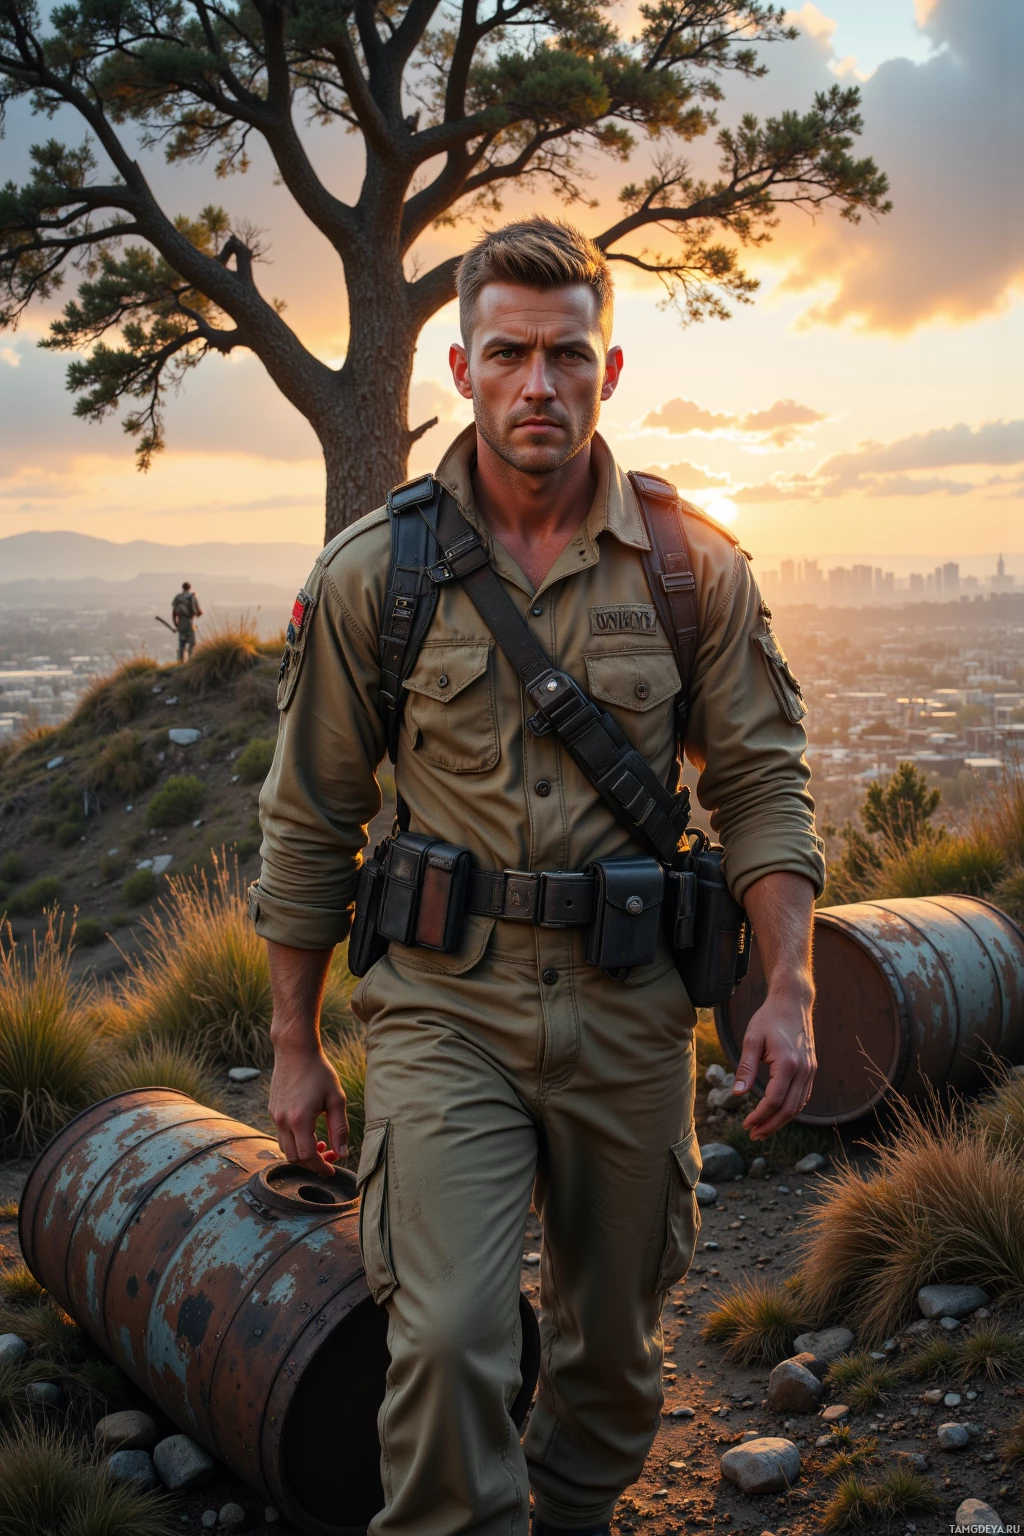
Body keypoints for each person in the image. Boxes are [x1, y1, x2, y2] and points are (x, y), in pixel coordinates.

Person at [250, 218, 825, 1536]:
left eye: (567, 354)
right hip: (447, 1009)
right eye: (507, 353)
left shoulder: (693, 569)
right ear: (461, 367)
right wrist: (295, 1045)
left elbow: (762, 788)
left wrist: (786, 986)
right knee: (450, 1341)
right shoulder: (375, 574)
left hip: (630, 1012)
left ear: (609, 370)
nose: (538, 385)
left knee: (615, 1376)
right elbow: (309, 821)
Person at [171, 581, 202, 661]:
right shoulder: (192, 597)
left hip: (181, 622)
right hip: (190, 622)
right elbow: (199, 612)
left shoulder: (178, 597)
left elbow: (174, 613)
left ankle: (181, 661)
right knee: (192, 642)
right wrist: (195, 617)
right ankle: (191, 660)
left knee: (182, 643)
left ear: (182, 588)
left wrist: (176, 624)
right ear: (189, 588)